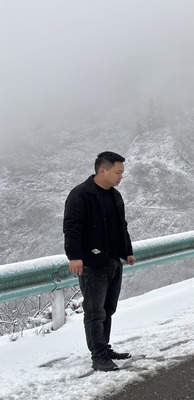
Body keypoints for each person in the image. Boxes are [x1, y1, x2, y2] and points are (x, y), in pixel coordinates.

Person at [63, 151, 136, 372]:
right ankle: (98, 356)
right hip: (92, 264)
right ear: (102, 170)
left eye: (122, 172)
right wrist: (74, 256)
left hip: (113, 261)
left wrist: (127, 251)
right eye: (118, 172)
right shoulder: (80, 195)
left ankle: (104, 348)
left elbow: (122, 226)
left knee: (108, 308)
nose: (121, 176)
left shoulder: (115, 195)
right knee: (95, 311)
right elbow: (71, 228)